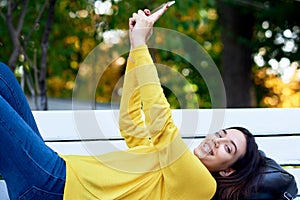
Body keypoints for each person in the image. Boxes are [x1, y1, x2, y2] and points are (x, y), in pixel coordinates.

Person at [0, 6, 286, 200]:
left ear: (227, 170)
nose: (216, 140)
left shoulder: (202, 186)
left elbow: (162, 124)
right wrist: (140, 46)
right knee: (3, 77)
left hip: (54, 187)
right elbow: (131, 122)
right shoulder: (166, 165)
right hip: (52, 172)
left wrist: (139, 44)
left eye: (228, 148)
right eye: (221, 134)